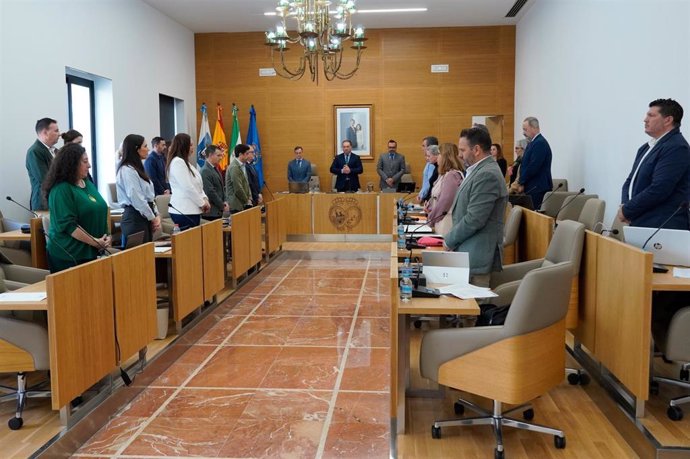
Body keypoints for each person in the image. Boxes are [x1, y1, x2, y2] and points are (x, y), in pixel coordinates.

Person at [444, 127, 508, 287]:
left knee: (472, 310)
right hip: (467, 252)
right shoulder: (476, 171)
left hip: (476, 256)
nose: (459, 155)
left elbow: (475, 219)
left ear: (477, 150)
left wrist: (449, 240)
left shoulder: (487, 174)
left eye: (463, 150)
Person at [619, 98, 690, 229]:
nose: (645, 119)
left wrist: (627, 210)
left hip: (662, 226)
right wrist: (624, 206)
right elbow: (630, 182)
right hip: (639, 220)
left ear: (668, 120)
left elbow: (660, 188)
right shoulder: (646, 148)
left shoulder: (676, 147)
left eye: (651, 115)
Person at [42, 143, 110, 272]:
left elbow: (101, 209)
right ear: (71, 164)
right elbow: (69, 225)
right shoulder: (61, 189)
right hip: (70, 254)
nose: (89, 165)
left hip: (94, 250)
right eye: (85, 162)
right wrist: (95, 242)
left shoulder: (87, 183)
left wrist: (108, 236)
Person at [116, 134, 161, 245]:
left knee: (147, 255)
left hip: (144, 216)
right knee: (138, 258)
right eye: (145, 146)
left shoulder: (138, 168)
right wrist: (152, 218)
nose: (148, 149)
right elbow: (137, 198)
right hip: (134, 218)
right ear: (136, 149)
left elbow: (150, 196)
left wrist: (156, 214)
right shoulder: (127, 169)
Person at [167, 133, 209, 229]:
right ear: (183, 146)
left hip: (192, 209)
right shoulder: (178, 162)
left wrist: (205, 199)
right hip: (184, 210)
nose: (193, 147)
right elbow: (187, 187)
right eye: (190, 145)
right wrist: (202, 203)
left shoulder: (186, 163)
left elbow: (197, 185)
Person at [425, 143, 465, 234]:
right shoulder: (444, 174)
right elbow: (438, 198)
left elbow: (445, 202)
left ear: (446, 157)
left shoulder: (452, 176)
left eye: (439, 154)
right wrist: (430, 207)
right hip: (439, 220)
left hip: (446, 222)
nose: (437, 157)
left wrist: (431, 218)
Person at [516, 116, 553, 209]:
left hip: (537, 188)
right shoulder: (533, 142)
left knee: (535, 218)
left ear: (534, 128)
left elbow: (533, 167)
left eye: (525, 129)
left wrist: (521, 182)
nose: (523, 133)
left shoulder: (539, 143)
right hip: (533, 187)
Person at [26, 117, 60, 210]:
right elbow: (45, 179)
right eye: (56, 131)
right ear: (45, 133)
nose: (59, 134)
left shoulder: (56, 151)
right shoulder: (34, 151)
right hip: (43, 203)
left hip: (57, 200)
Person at [200, 144, 228, 220]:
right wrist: (222, 205)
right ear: (210, 155)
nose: (221, 158)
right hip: (211, 212)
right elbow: (210, 192)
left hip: (217, 210)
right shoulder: (205, 170)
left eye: (221, 155)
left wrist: (225, 201)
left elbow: (221, 188)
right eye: (218, 155)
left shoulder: (215, 168)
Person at [225, 144, 253, 213]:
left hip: (242, 203)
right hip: (236, 205)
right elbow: (238, 187)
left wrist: (249, 197)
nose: (248, 156)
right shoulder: (235, 167)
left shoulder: (243, 165)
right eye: (247, 154)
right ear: (240, 154)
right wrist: (246, 200)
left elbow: (246, 183)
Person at [417, 136, 439, 203]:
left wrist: (421, 195)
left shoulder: (432, 164)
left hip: (429, 198)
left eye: (423, 146)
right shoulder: (429, 162)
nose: (422, 148)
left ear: (429, 147)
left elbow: (430, 183)